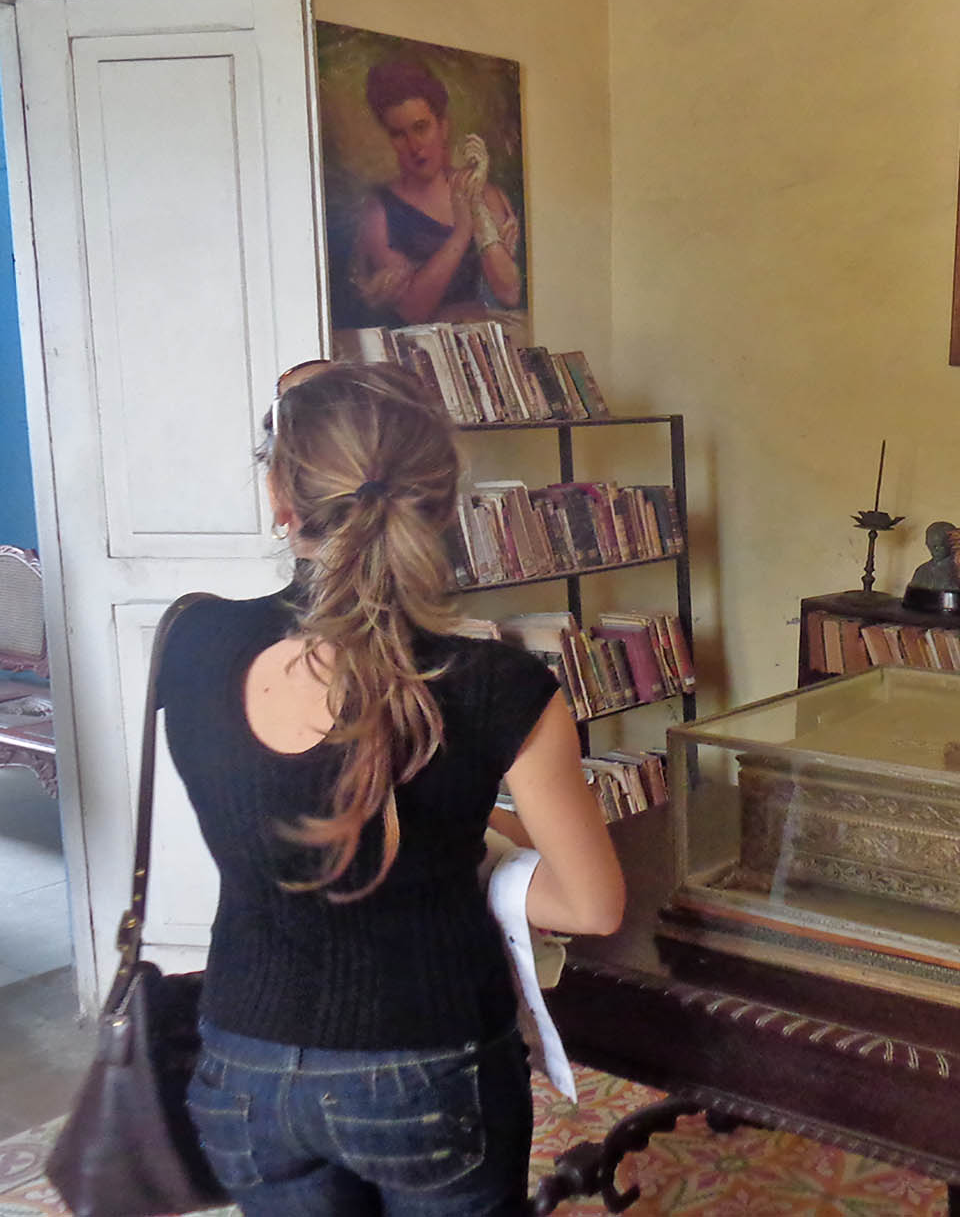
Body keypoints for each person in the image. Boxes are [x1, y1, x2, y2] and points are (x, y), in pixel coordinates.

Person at [160, 360, 623, 1215]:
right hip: (428, 1059)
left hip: (242, 1059)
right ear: (444, 503)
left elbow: (289, 803)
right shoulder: (497, 685)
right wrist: (479, 853)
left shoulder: (190, 641)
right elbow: (590, 907)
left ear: (280, 497)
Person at [348, 60, 524, 329]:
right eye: (398, 134)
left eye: (421, 127)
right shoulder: (380, 211)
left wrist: (475, 205)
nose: (414, 146)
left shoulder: (484, 194)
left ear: (443, 127)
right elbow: (413, 310)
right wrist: (462, 232)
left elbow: (509, 292)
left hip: (479, 345)